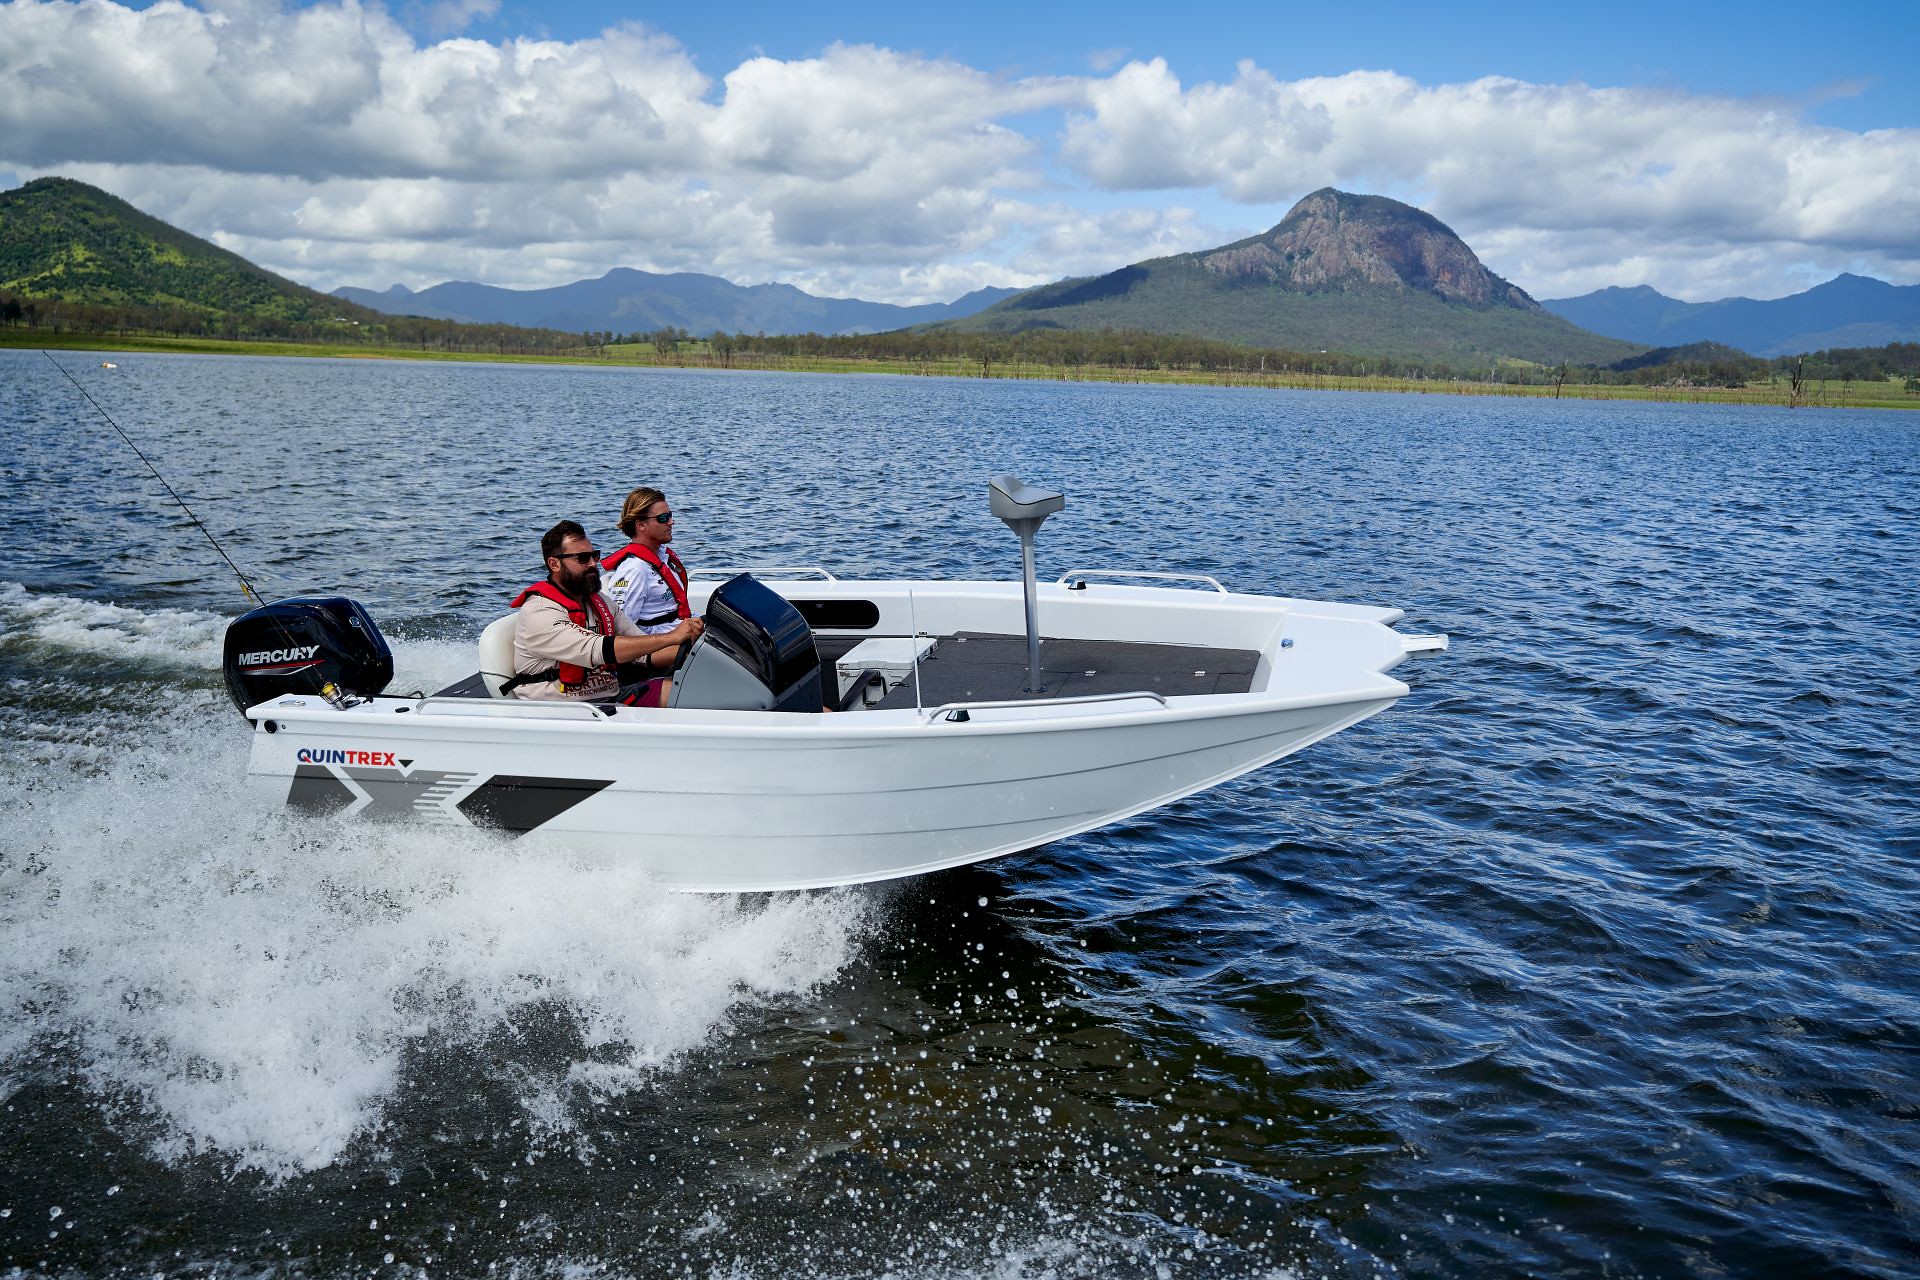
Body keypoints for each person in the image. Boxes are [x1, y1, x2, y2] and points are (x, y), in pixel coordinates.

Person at [507, 520, 702, 702]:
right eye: (583, 558)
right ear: (554, 564)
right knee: (688, 697)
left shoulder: (600, 602)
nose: (593, 563)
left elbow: (645, 655)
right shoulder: (540, 612)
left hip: (611, 696)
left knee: (698, 689)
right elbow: (600, 649)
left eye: (594, 555)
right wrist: (672, 637)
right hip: (567, 708)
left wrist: (698, 650)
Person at [601, 486, 693, 669]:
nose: (671, 522)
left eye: (670, 515)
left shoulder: (661, 557)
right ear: (641, 525)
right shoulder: (635, 570)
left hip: (680, 633)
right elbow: (621, 632)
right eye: (663, 518)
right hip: (662, 652)